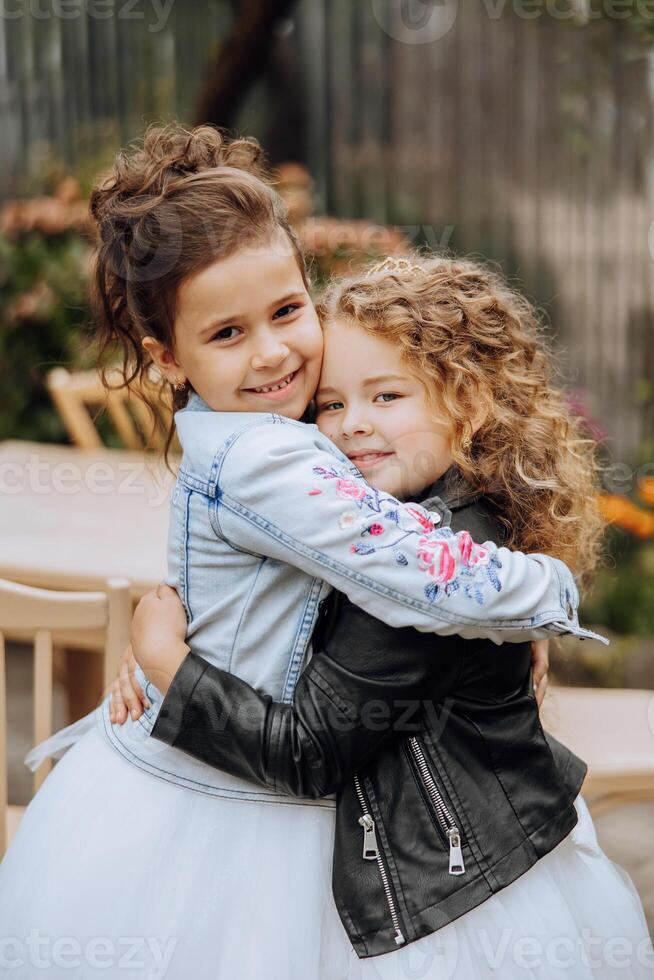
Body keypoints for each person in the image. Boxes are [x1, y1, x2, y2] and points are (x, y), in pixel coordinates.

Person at [0, 125, 599, 980]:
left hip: (226, 767)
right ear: (166, 357)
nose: (274, 352)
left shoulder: (257, 427)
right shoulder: (268, 453)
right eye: (228, 334)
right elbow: (400, 566)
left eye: (286, 312)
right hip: (242, 794)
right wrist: (538, 595)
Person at [117, 256, 653, 978]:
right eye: (332, 404)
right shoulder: (376, 519)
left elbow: (309, 752)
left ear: (468, 405)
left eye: (387, 395)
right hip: (408, 855)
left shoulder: (426, 581)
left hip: (442, 901)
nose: (352, 426)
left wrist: (170, 667)